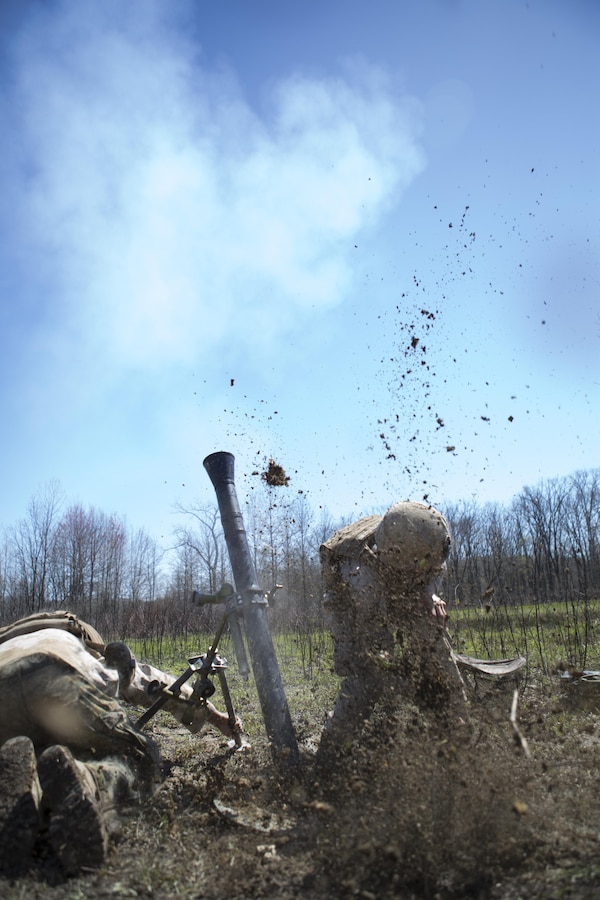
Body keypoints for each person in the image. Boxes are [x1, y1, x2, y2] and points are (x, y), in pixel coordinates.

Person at [0, 612, 240, 876]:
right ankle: (89, 779)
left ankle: (27, 789)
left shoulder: (6, 639)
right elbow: (150, 684)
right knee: (142, 758)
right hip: (56, 675)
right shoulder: (72, 636)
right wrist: (216, 718)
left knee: (27, 750)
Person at [317, 501, 468, 759]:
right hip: (348, 604)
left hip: (396, 582)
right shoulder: (359, 575)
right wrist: (401, 671)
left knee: (432, 632)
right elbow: (374, 628)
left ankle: (459, 723)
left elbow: (437, 567)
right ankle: (331, 751)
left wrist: (429, 594)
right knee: (363, 677)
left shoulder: (421, 536)